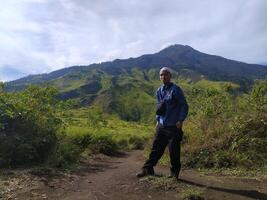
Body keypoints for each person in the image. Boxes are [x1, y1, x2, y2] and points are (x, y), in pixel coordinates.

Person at [136, 67, 189, 179]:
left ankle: (174, 173)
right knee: (156, 149)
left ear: (170, 76)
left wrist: (180, 120)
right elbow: (159, 107)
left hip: (174, 126)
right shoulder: (159, 91)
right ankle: (147, 169)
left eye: (165, 74)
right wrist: (157, 119)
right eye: (161, 75)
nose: (163, 77)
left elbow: (184, 105)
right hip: (161, 125)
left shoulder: (176, 90)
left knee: (174, 151)